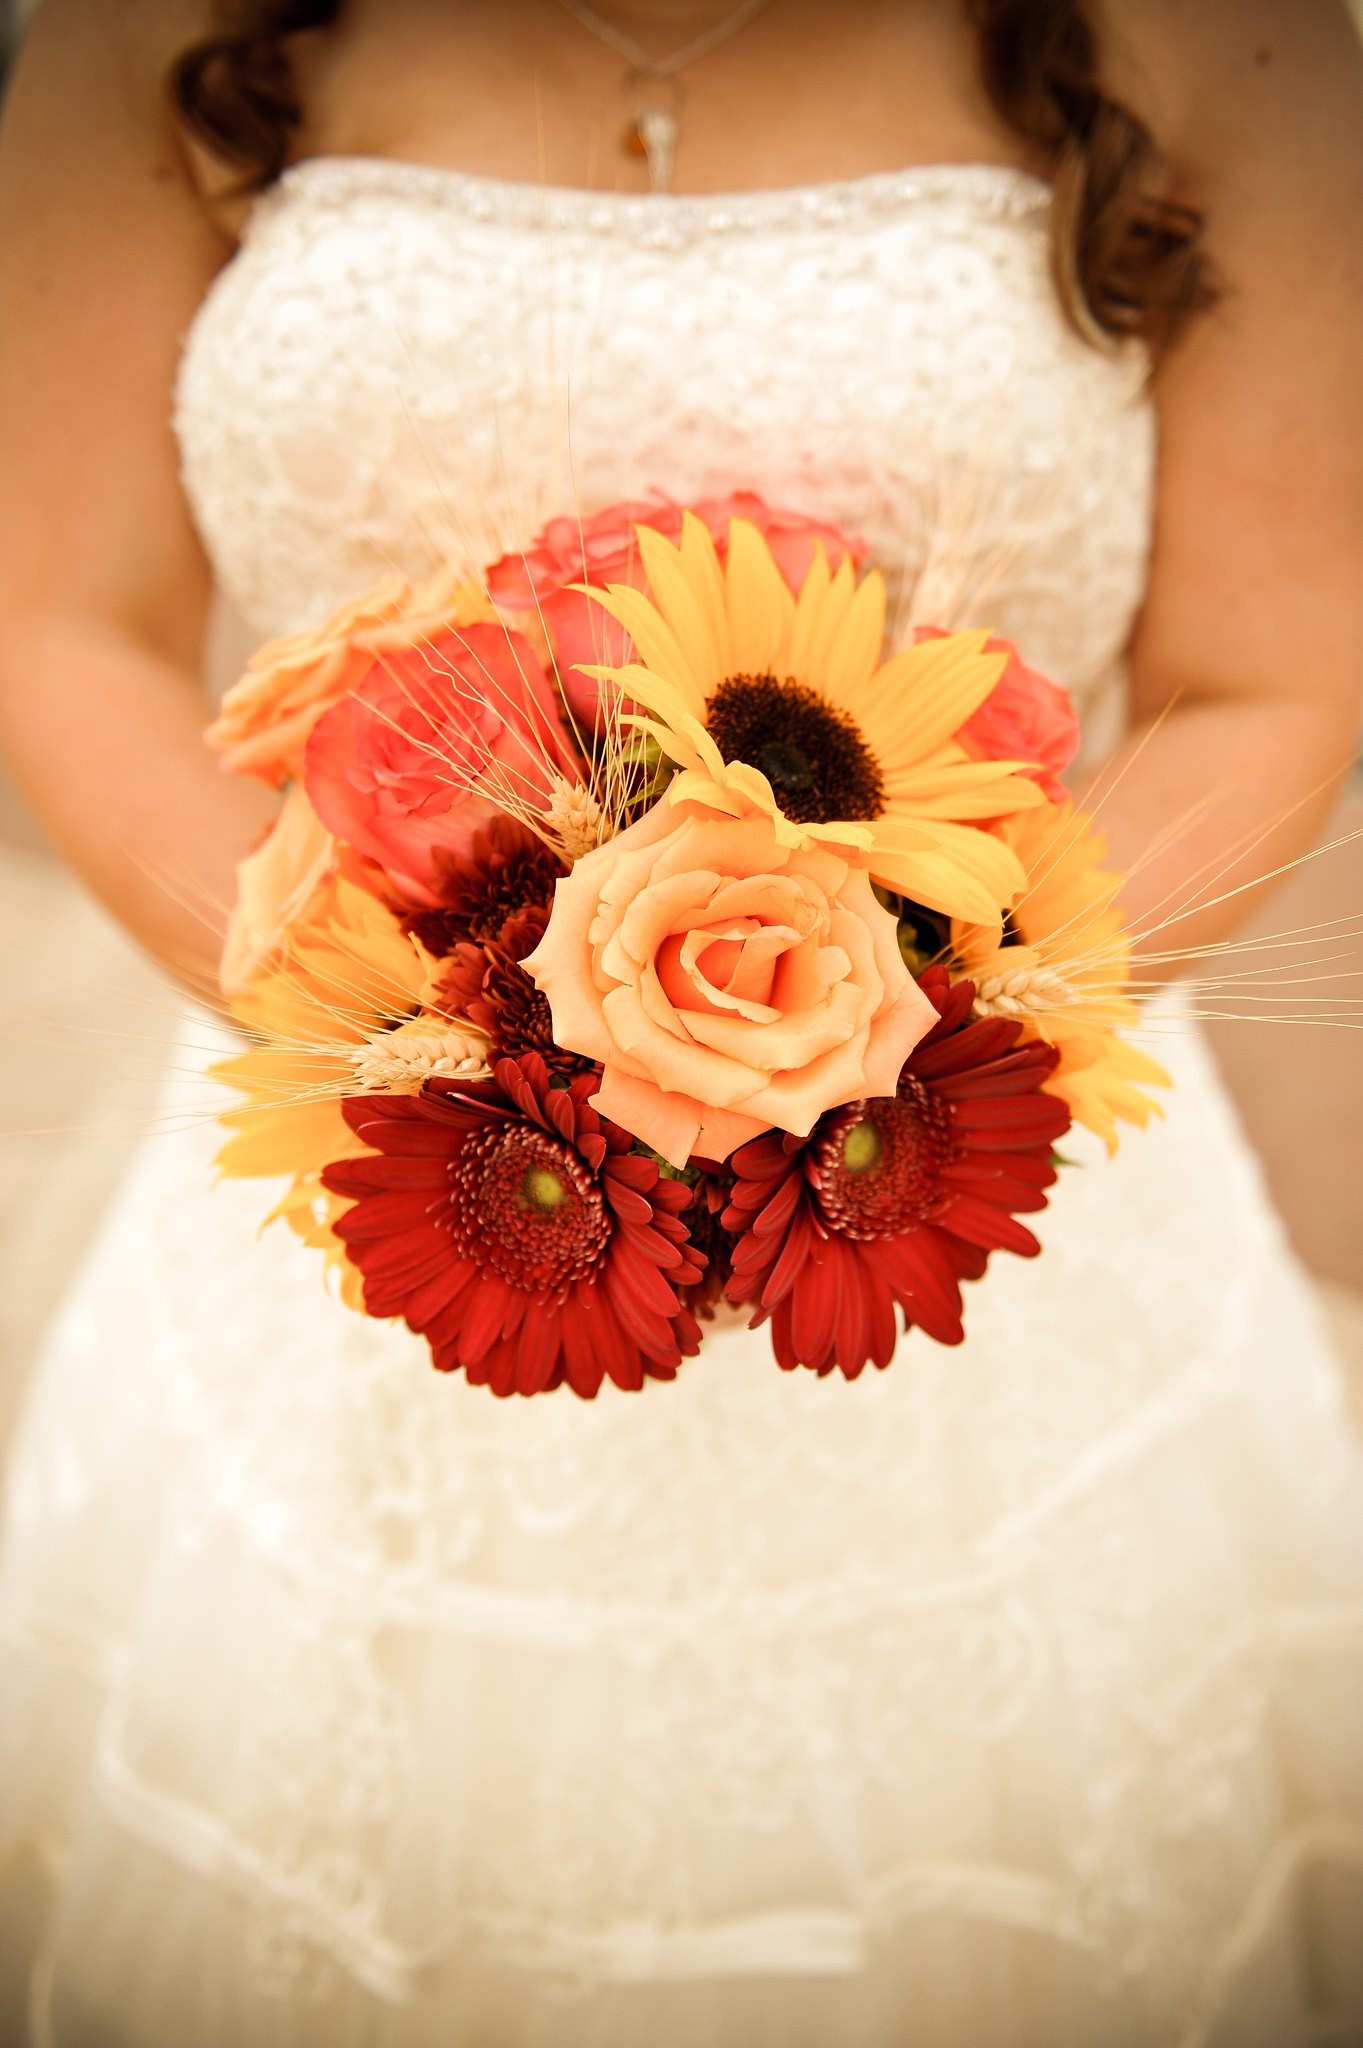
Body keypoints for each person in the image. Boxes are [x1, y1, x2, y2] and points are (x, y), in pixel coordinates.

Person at [1, 1, 1361, 2040]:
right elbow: (56, 614)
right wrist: (436, 1063)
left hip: (972, 1213)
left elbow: (1271, 672)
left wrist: (890, 1069)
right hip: (362, 1202)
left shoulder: (1241, 41)